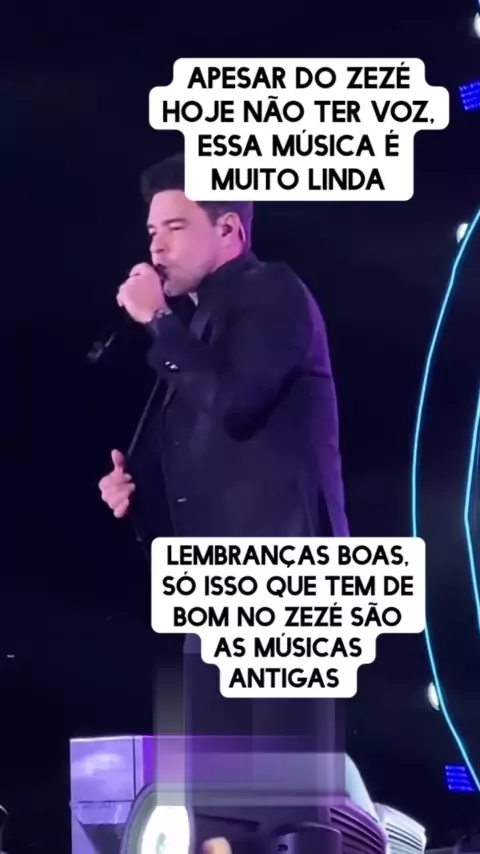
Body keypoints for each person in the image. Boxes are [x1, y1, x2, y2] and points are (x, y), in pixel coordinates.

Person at [98, 152, 348, 749]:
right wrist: (133, 495)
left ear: (229, 229)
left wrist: (159, 320)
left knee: (285, 785)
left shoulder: (272, 291)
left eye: (175, 227)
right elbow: (209, 466)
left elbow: (237, 402)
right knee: (217, 788)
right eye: (152, 231)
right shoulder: (197, 325)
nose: (156, 247)